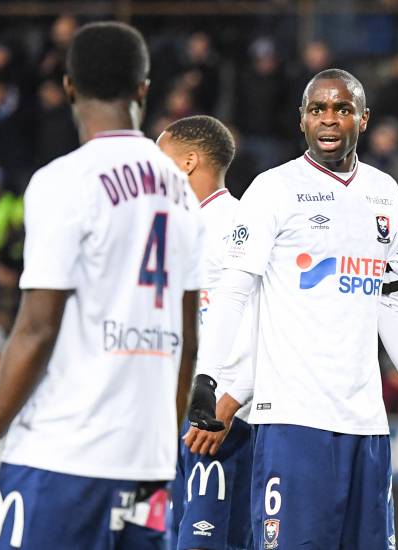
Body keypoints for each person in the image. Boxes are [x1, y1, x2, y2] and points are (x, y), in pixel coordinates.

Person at [185, 69, 398, 549]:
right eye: (317, 109)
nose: (329, 119)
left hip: (367, 426)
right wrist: (207, 378)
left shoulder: (384, 192)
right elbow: (236, 291)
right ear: (301, 119)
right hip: (294, 424)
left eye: (342, 109)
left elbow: (390, 297)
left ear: (363, 119)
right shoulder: (273, 189)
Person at [0, 22, 204, 550]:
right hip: (147, 460)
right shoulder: (182, 192)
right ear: (144, 88)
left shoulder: (62, 180)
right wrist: (162, 444)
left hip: (63, 454)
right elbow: (188, 338)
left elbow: (36, 329)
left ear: (68, 85)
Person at [157, 116, 255, 550]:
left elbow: (263, 323)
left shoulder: (236, 225)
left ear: (189, 162)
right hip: (183, 417)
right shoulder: (182, 229)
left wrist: (229, 401)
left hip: (223, 422)